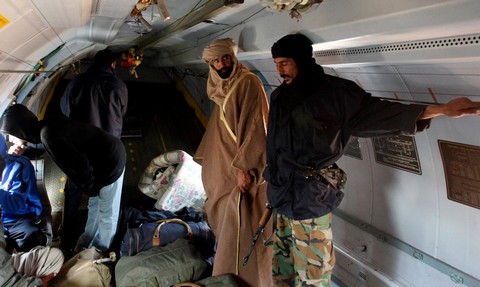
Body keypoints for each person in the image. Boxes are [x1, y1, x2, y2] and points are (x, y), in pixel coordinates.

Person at [264, 33, 480, 287]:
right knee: (281, 265)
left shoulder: (336, 94)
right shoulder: (279, 96)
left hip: (310, 196)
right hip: (280, 193)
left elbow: (381, 113)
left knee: (313, 273)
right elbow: (273, 145)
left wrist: (440, 109)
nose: (279, 70)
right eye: (276, 63)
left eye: (285, 63)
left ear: (301, 60)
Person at [194, 38, 272, 287]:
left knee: (240, 231)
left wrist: (244, 168)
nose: (222, 64)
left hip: (239, 173)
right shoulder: (221, 88)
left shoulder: (248, 83)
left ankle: (242, 280)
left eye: (226, 58)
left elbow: (254, 127)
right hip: (222, 172)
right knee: (226, 229)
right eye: (216, 61)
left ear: (234, 58)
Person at [0, 104, 127, 255]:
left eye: (11, 134)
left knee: (107, 212)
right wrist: (20, 152)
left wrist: (91, 188)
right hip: (101, 158)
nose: (11, 139)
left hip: (110, 162)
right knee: (95, 208)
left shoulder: (48, 134)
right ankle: (85, 245)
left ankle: (100, 252)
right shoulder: (45, 127)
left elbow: (79, 166)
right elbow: (46, 146)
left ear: (20, 129)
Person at [59, 48, 128, 253]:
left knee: (92, 201)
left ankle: (78, 244)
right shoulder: (118, 85)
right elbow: (122, 111)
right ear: (113, 65)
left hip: (82, 154)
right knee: (109, 209)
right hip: (110, 156)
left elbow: (65, 110)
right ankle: (101, 252)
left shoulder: (76, 83)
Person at [0, 133, 46, 252]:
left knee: (33, 238)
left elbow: (15, 205)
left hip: (17, 220)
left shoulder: (19, 165)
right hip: (2, 222)